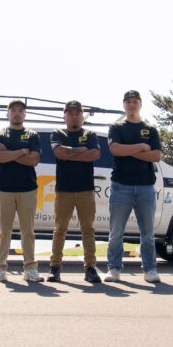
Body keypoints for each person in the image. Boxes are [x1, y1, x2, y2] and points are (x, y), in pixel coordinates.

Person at [105, 90, 162, 283]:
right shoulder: (116, 127)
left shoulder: (151, 128)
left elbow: (156, 156)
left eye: (135, 101)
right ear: (123, 105)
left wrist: (128, 150)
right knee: (116, 232)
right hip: (121, 186)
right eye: (128, 101)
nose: (131, 105)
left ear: (140, 104)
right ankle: (113, 268)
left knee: (147, 234)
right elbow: (115, 149)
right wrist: (141, 147)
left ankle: (150, 269)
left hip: (146, 187)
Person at [47, 100, 101, 283]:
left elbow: (95, 155)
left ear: (81, 115)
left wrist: (71, 152)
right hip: (64, 189)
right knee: (60, 230)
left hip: (85, 189)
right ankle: (55, 267)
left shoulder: (90, 134)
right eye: (70, 113)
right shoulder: (58, 133)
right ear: (64, 116)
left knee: (88, 229)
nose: (73, 115)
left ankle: (90, 268)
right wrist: (81, 150)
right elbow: (59, 153)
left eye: (77, 112)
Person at [0, 99, 41, 282]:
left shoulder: (32, 135)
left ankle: (30, 268)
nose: (17, 113)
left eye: (20, 110)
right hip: (4, 189)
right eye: (13, 110)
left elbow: (33, 160)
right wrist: (21, 151)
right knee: (4, 231)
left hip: (27, 188)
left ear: (25, 114)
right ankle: (0, 268)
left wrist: (9, 152)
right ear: (8, 113)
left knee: (28, 230)